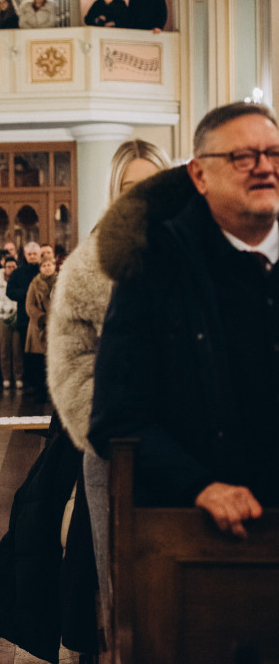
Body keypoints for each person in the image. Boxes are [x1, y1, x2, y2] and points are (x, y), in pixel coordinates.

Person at [90, 101, 279, 533]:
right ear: (198, 174)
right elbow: (117, 416)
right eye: (242, 156)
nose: (264, 167)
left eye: (274, 154)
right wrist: (200, 486)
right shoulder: (152, 267)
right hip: (198, 531)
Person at [46, 137, 171, 646]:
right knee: (117, 576)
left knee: (176, 575)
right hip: (114, 443)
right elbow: (70, 362)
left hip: (189, 436)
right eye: (129, 187)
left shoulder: (196, 249)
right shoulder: (92, 262)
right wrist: (107, 423)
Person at [6, 241, 42, 391]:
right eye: (30, 254)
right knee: (26, 353)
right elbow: (10, 291)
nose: (32, 257)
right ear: (25, 255)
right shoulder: (18, 272)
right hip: (24, 319)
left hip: (43, 320)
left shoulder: (44, 270)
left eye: (35, 254)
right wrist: (28, 295)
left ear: (40, 255)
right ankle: (30, 383)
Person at [25, 256, 57, 403]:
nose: (47, 268)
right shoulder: (34, 283)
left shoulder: (61, 282)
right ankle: (40, 392)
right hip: (39, 327)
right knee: (39, 362)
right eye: (44, 266)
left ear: (54, 266)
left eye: (49, 265)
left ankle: (54, 392)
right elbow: (29, 305)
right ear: (40, 268)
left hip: (57, 325)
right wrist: (42, 317)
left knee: (54, 360)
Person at [0, 256, 22, 389]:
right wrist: (5, 307)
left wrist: (15, 308)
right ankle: (6, 377)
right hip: (2, 317)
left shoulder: (19, 279)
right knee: (4, 349)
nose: (11, 269)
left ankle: (19, 376)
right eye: (8, 267)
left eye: (13, 267)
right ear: (4, 268)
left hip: (16, 316)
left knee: (17, 347)